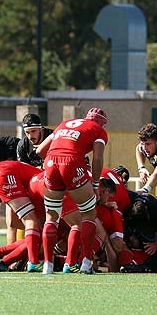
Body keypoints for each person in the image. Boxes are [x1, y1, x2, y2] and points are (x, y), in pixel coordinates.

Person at [36, 107, 108, 275]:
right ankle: (86, 263)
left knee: (51, 216)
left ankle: (48, 265)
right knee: (89, 214)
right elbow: (97, 158)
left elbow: (40, 151)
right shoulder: (98, 131)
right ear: (102, 124)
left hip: (51, 162)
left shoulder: (64, 124)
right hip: (72, 162)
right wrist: (96, 184)